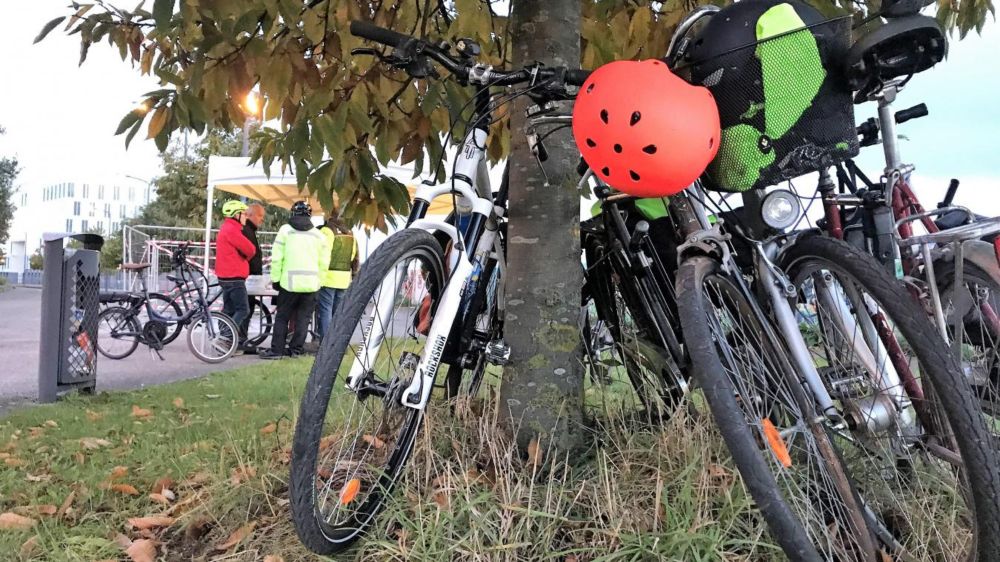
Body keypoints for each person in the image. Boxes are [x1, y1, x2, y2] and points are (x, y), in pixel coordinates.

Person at [259, 201, 328, 360]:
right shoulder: (319, 235)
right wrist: (320, 281)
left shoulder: (285, 231)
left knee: (282, 317)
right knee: (303, 319)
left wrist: (275, 279)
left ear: (293, 213)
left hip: (288, 284)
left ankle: (277, 351)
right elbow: (324, 262)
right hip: (311, 285)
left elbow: (277, 258)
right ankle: (296, 350)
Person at [215, 200, 256, 348]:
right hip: (234, 276)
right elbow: (250, 249)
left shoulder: (226, 228)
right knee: (243, 309)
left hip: (225, 276)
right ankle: (226, 337)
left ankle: (223, 338)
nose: (246, 217)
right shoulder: (232, 230)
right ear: (236, 215)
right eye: (244, 214)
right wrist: (245, 257)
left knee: (228, 309)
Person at [315, 210, 359, 341]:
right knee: (338, 313)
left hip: (328, 277)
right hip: (344, 279)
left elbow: (322, 254)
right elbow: (354, 257)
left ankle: (326, 343)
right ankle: (337, 342)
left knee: (325, 311)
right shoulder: (350, 233)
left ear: (329, 217)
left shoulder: (327, 231)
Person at [241, 203, 266, 348]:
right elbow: (250, 254)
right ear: (250, 215)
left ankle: (241, 339)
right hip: (248, 278)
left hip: (250, 277)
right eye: (260, 215)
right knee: (245, 309)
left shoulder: (249, 230)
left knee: (246, 308)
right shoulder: (247, 230)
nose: (262, 219)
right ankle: (240, 340)